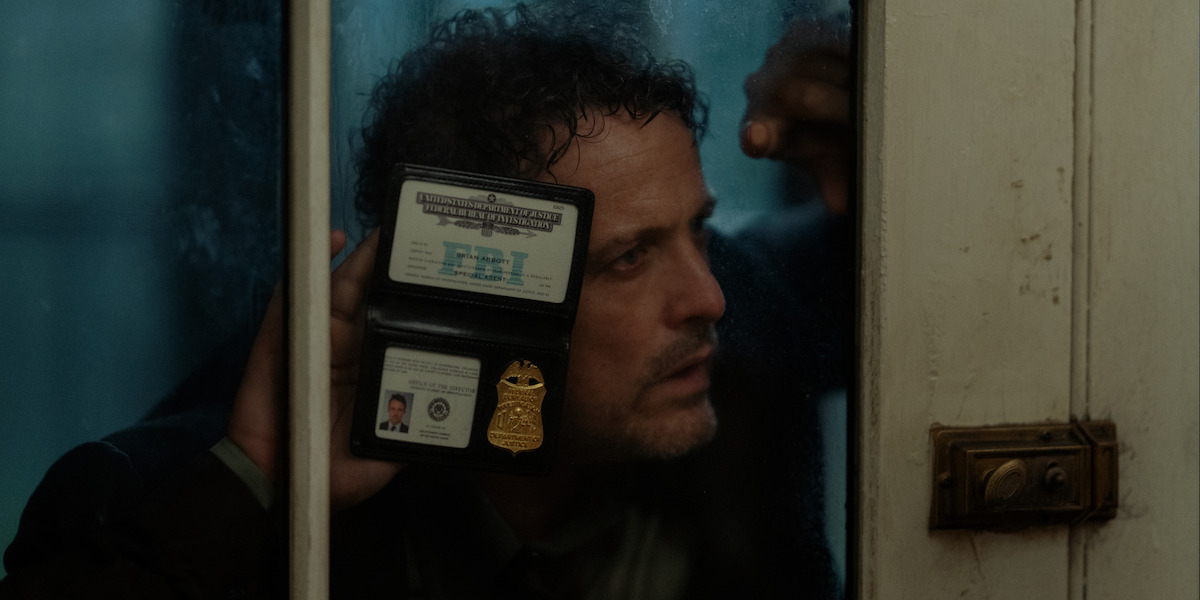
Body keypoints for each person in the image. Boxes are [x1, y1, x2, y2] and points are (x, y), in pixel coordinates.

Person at [0, 4, 852, 599]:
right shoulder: (157, 497)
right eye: (628, 259)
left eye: (698, 231)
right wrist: (255, 485)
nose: (707, 297)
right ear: (467, 295)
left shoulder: (749, 344)